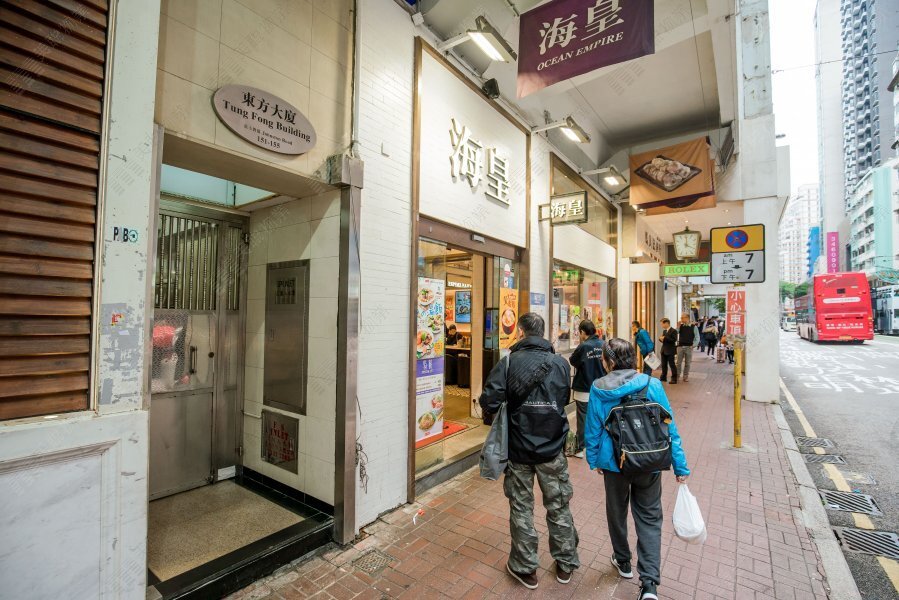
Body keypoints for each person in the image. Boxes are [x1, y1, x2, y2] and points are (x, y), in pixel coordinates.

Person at [479, 313, 580, 589]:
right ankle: (565, 563)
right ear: (542, 332)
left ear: (521, 332)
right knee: (558, 505)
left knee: (521, 507)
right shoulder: (561, 364)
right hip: (552, 448)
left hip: (519, 449)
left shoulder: (508, 362)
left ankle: (525, 568)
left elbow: (489, 401)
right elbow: (563, 399)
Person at [584, 338, 690, 600]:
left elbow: (593, 429)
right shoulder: (651, 384)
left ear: (608, 361)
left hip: (614, 464)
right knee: (650, 518)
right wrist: (680, 465)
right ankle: (649, 584)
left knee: (616, 512)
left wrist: (594, 460)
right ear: (633, 358)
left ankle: (623, 561)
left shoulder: (598, 388)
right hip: (649, 462)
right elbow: (670, 427)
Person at [569, 320, 605, 459]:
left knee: (583, 419)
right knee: (600, 417)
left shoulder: (583, 346)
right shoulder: (603, 344)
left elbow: (573, 361)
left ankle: (580, 448)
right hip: (601, 388)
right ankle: (600, 446)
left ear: (583, 332)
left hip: (584, 388)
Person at [675, 313, 695, 383]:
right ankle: (677, 376)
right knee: (678, 363)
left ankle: (685, 377)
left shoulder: (693, 327)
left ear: (687, 318)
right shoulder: (680, 326)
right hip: (680, 347)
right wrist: (678, 326)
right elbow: (676, 333)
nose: (681, 319)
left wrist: (694, 345)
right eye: (681, 318)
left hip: (689, 347)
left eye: (682, 318)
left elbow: (697, 337)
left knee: (687, 363)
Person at [658, 318, 678, 384]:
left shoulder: (674, 331)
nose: (661, 325)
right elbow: (663, 340)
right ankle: (663, 377)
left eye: (662, 324)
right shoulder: (664, 331)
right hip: (663, 350)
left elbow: (674, 340)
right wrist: (660, 339)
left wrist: (665, 337)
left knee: (672, 365)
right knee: (663, 365)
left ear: (666, 323)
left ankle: (674, 379)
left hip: (670, 350)